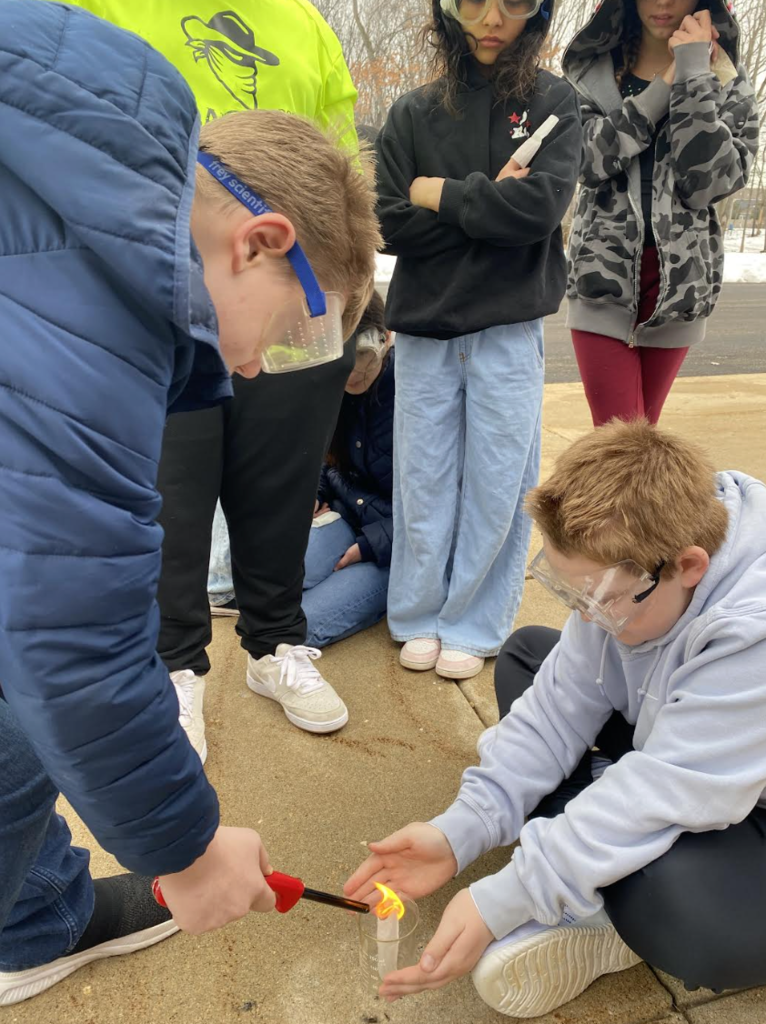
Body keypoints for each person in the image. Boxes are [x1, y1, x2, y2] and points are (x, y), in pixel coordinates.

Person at [0, 1, 379, 1005]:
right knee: (25, 698)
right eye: (292, 335)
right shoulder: (98, 317)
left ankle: (32, 916)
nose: (255, 369)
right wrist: (191, 846)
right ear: (259, 241)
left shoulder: (78, 145)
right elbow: (70, 635)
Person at [345, 419, 766, 1017]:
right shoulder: (638, 569)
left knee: (689, 921)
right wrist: (461, 829)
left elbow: (671, 785)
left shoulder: (753, 629)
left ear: (689, 566)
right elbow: (552, 711)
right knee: (526, 656)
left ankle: (604, 907)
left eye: (601, 597)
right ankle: (599, 854)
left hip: (748, 800)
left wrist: (512, 893)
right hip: (682, 745)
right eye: (572, 593)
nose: (586, 617)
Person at [53, 0, 362, 753]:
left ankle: (275, 643)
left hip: (283, 292)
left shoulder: (308, 26)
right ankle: (173, 664)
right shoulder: (107, 9)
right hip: (184, 298)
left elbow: (344, 169)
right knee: (171, 500)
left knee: (281, 493)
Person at [375, 0, 582, 682]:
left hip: (508, 326)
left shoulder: (553, 101)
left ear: (538, 11)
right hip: (426, 327)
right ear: (447, 9)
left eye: (512, 2)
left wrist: (438, 193)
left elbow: (538, 210)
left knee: (498, 484)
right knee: (422, 479)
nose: (493, 18)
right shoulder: (413, 111)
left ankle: (472, 621)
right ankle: (417, 613)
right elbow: (389, 223)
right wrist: (488, 201)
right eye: (474, 1)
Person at [564, 0, 759, 426]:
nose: (663, 2)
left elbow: (706, 182)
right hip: (602, 277)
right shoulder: (591, 72)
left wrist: (693, 73)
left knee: (643, 441)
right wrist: (665, 83)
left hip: (678, 286)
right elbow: (586, 161)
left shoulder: (727, 78)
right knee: (621, 441)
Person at [210, 291, 395, 655]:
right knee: (264, 592)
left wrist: (372, 545)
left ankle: (380, 595)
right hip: (347, 518)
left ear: (386, 338)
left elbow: (438, 503)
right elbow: (325, 459)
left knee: (300, 627)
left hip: (397, 547)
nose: (354, 372)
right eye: (346, 359)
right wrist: (315, 493)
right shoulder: (331, 383)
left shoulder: (411, 392)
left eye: (364, 357)